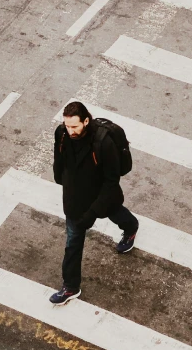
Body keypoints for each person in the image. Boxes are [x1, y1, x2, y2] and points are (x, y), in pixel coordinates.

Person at [50, 101, 139, 305]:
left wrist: (92, 213)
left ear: (86, 121)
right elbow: (58, 155)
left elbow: (111, 181)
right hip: (75, 196)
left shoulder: (103, 143)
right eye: (67, 125)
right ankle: (70, 286)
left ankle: (131, 227)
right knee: (73, 241)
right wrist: (59, 176)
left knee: (116, 213)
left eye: (75, 126)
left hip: (101, 193)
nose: (70, 130)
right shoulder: (61, 133)